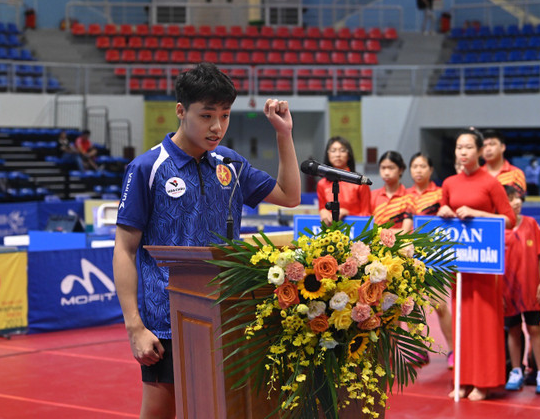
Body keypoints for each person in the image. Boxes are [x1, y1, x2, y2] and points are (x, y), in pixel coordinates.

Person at [112, 62, 301, 419]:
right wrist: (135, 326)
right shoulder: (148, 167)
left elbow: (290, 196)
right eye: (207, 115)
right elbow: (124, 248)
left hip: (231, 313)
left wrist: (283, 134)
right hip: (167, 322)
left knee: (222, 410)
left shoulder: (230, 164)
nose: (217, 127)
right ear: (181, 112)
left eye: (225, 116)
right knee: (159, 412)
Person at [437, 127, 516, 401]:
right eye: (459, 147)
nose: (463, 151)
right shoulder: (448, 183)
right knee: (461, 321)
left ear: (479, 151)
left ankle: (483, 382)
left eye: (468, 147)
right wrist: (443, 211)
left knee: (483, 322)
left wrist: (477, 213)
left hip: (485, 264)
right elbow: (442, 214)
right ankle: (462, 379)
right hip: (460, 265)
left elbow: (509, 220)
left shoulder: (491, 183)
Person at [406, 152, 454, 369]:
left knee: (440, 305)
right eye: (414, 166)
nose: (418, 170)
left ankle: (453, 350)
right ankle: (419, 349)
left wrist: (447, 209)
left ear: (431, 169)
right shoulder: (406, 196)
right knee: (412, 305)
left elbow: (449, 214)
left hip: (434, 257)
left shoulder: (440, 193)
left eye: (422, 166)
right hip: (410, 258)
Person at [502, 185, 540, 394]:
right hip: (507, 291)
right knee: (513, 331)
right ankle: (516, 370)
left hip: (531, 289)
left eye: (518, 198)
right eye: (511, 199)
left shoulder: (531, 224)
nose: (516, 202)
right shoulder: (498, 228)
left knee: (534, 330)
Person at [316, 135, 371, 224]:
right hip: (330, 231)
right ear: (328, 154)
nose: (338, 155)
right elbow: (322, 208)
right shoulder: (322, 184)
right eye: (333, 151)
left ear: (349, 155)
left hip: (355, 231)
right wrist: (322, 211)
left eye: (342, 150)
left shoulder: (359, 182)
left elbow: (367, 214)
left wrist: (347, 213)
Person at [370, 150, 414, 234]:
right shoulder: (372, 196)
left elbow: (405, 232)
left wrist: (380, 232)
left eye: (391, 168)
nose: (386, 172)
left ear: (400, 170)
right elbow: (366, 226)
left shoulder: (409, 197)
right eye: (383, 168)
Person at [481, 129, 527, 195]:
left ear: (502, 147)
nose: (488, 149)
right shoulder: (476, 174)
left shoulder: (516, 174)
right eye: (484, 146)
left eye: (492, 144)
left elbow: (516, 202)